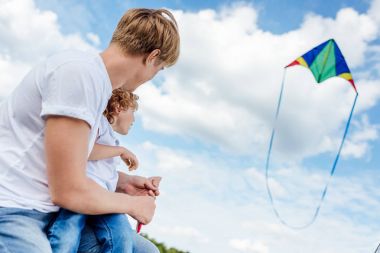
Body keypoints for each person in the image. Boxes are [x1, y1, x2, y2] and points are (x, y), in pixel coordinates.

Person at [0, 8, 180, 253]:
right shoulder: (80, 74)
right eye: (159, 70)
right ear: (152, 57)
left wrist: (125, 183)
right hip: (13, 208)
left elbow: (74, 162)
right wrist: (132, 205)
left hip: (47, 210)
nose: (152, 77)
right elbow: (68, 190)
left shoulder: (95, 86)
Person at [47, 89, 157, 253]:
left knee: (122, 236)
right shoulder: (98, 124)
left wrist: (129, 183)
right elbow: (84, 151)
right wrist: (119, 151)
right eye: (133, 111)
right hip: (83, 194)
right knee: (67, 235)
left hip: (105, 201)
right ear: (119, 107)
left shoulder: (111, 137)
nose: (134, 118)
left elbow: (105, 174)